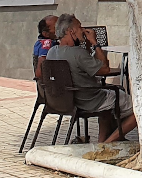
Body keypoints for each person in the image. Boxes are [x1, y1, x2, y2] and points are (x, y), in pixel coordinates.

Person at [45, 14, 136, 143]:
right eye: (79, 27)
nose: (82, 30)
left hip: (68, 101)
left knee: (108, 108)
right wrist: (95, 43)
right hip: (90, 100)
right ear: (71, 31)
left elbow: (85, 63)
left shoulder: (52, 52)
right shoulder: (77, 54)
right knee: (138, 110)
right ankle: (107, 143)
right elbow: (105, 69)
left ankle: (103, 141)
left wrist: (86, 45)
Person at [33, 15, 58, 80]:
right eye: (57, 27)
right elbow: (41, 68)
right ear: (46, 34)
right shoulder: (46, 43)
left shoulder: (41, 42)